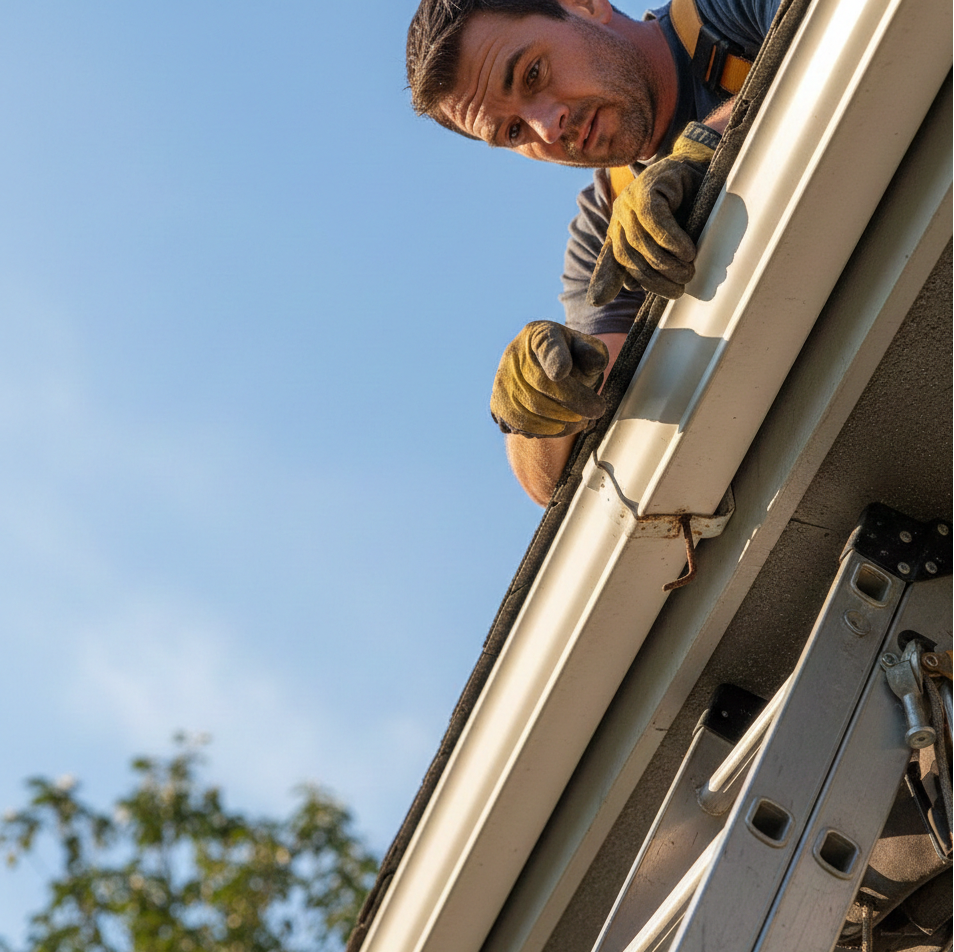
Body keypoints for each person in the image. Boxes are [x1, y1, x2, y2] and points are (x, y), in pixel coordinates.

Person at [406, 0, 781, 503]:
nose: (547, 127)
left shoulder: (723, 10)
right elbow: (549, 486)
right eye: (513, 131)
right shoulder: (604, 227)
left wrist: (708, 149)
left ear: (585, 6)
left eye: (533, 73)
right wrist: (531, 410)